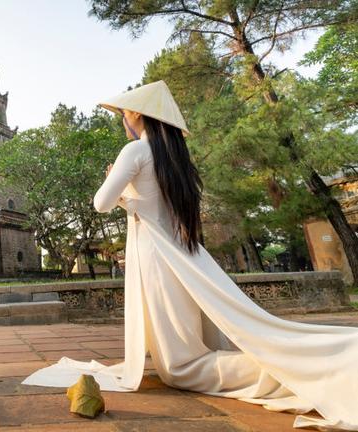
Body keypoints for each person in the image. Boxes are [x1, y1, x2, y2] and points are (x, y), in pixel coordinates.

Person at [22, 80, 358, 431]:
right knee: (191, 352)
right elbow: (160, 208)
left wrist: (120, 191)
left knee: (180, 368)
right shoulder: (176, 158)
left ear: (137, 114)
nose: (123, 121)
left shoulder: (135, 151)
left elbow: (100, 203)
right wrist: (135, 202)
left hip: (157, 259)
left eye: (124, 114)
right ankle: (317, 359)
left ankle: (318, 368)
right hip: (187, 257)